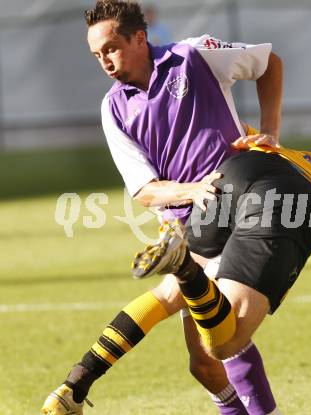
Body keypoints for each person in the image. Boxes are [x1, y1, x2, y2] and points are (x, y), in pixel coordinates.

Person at [41, 0, 283, 414]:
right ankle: (75, 386)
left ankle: (76, 384)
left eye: (111, 48)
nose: (105, 61)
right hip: (185, 232)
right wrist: (192, 191)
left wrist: (271, 130)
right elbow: (144, 192)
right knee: (205, 365)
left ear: (139, 37)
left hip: (239, 213)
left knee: (222, 338)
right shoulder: (114, 108)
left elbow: (269, 63)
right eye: (96, 55)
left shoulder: (194, 55)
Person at [133, 145, 311, 398]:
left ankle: (87, 373)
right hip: (292, 201)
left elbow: (250, 137)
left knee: (169, 297)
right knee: (225, 345)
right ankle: (185, 269)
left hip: (239, 170)